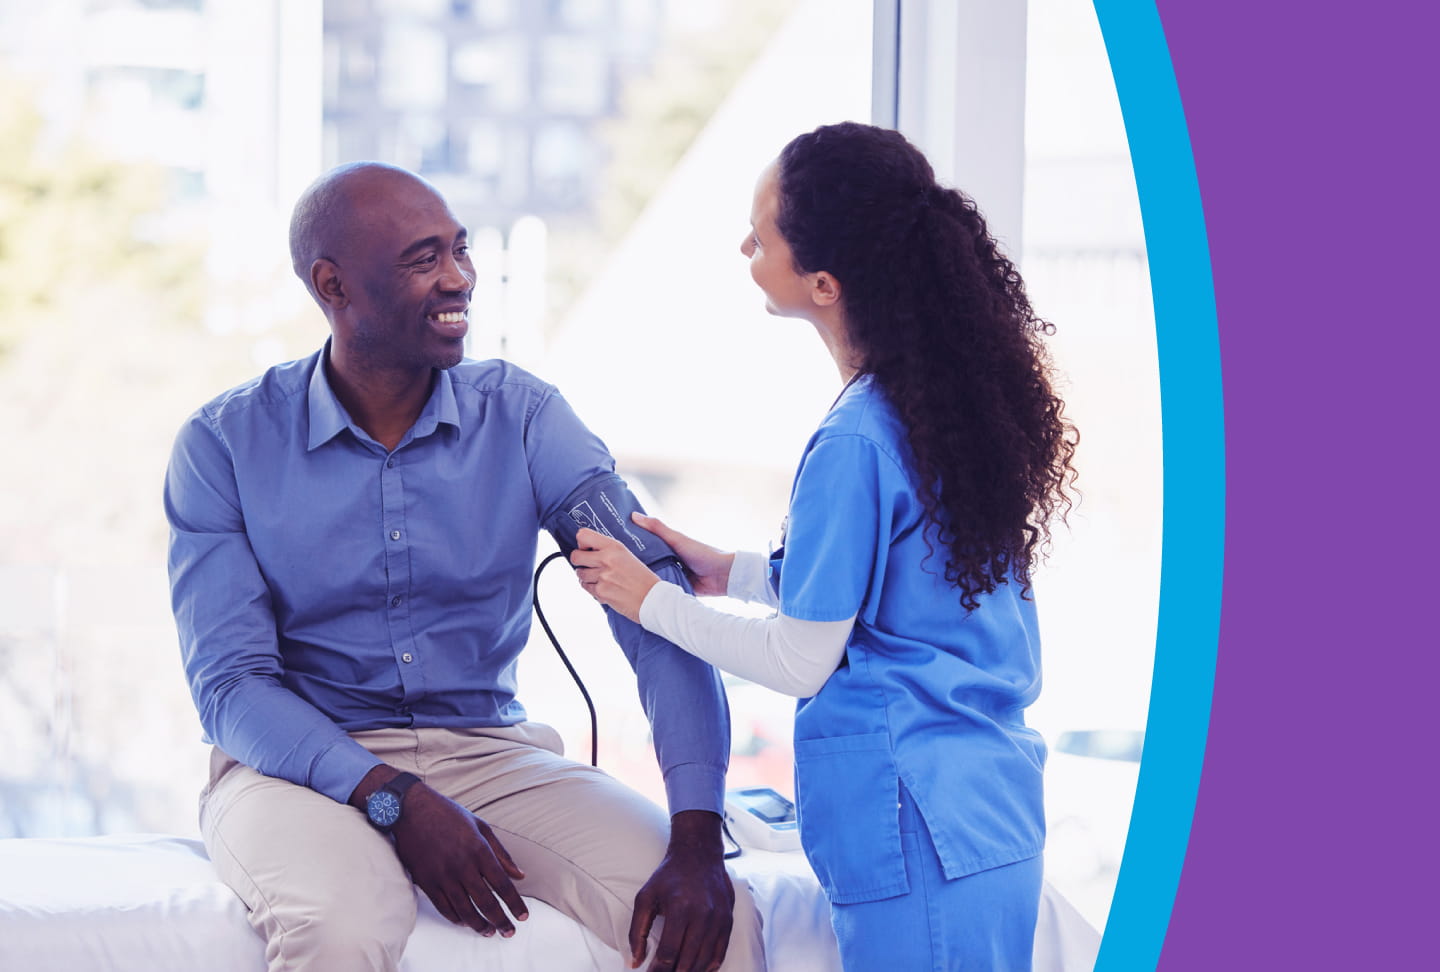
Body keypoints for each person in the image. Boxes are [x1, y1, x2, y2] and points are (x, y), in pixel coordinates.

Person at [164, 161, 764, 972]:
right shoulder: (224, 445)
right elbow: (231, 686)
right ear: (333, 286)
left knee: (712, 928)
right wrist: (394, 798)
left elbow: (653, 615)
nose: (460, 281)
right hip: (294, 769)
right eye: (422, 260)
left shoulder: (526, 418)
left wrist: (696, 829)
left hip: (490, 753)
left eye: (460, 250)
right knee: (339, 930)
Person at [570, 122, 1079, 971]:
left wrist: (646, 599)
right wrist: (726, 572)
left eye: (760, 234)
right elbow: (898, 589)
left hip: (919, 837)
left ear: (826, 282)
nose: (744, 245)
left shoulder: (855, 440)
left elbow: (804, 659)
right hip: (982, 821)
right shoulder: (936, 415)